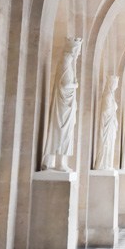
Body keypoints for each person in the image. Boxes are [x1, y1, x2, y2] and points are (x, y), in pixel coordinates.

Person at [42, 36, 82, 171]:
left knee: (66, 133)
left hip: (67, 107)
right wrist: (75, 86)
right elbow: (65, 86)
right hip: (63, 108)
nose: (79, 54)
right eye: (78, 51)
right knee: (61, 132)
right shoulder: (66, 64)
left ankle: (59, 161)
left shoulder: (68, 64)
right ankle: (58, 162)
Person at [94, 74, 119, 169]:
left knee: (110, 144)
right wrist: (113, 109)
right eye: (115, 84)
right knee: (106, 144)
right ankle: (103, 164)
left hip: (111, 125)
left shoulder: (111, 96)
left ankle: (108, 164)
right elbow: (105, 111)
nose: (116, 86)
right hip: (107, 125)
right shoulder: (107, 96)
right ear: (111, 84)